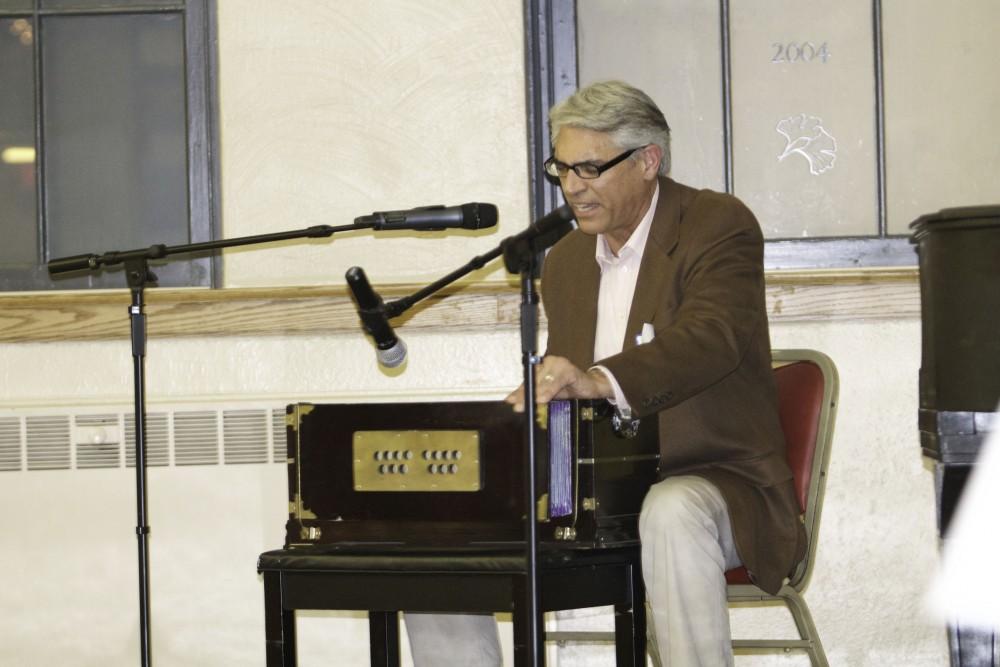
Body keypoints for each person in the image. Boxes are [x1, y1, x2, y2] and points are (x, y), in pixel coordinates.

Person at [406, 80, 805, 666]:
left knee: (668, 510)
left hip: (718, 482)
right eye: (561, 169)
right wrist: (545, 398)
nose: (572, 186)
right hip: (596, 495)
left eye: (590, 168)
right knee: (442, 525)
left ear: (648, 161)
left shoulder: (715, 223)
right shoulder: (565, 260)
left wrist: (600, 380)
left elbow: (711, 339)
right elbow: (571, 392)